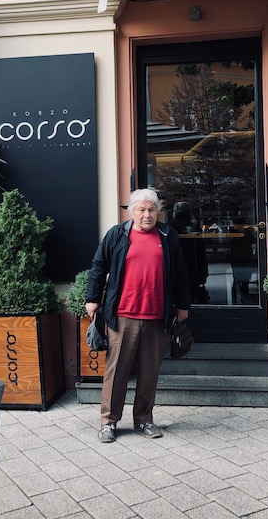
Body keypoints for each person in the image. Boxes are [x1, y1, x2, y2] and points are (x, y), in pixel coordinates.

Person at [85, 188, 191, 443]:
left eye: (151, 210)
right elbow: (98, 266)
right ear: (132, 211)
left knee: (149, 372)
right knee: (116, 372)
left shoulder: (168, 235)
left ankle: (144, 419)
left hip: (156, 316)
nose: (147, 215)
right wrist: (92, 298)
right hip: (123, 316)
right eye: (141, 210)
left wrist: (182, 305)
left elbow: (180, 272)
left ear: (158, 212)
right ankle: (109, 422)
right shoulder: (117, 234)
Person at [168, 201, 208, 303]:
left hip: (173, 268)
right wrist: (203, 274)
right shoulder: (194, 228)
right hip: (192, 267)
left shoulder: (167, 228)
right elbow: (201, 254)